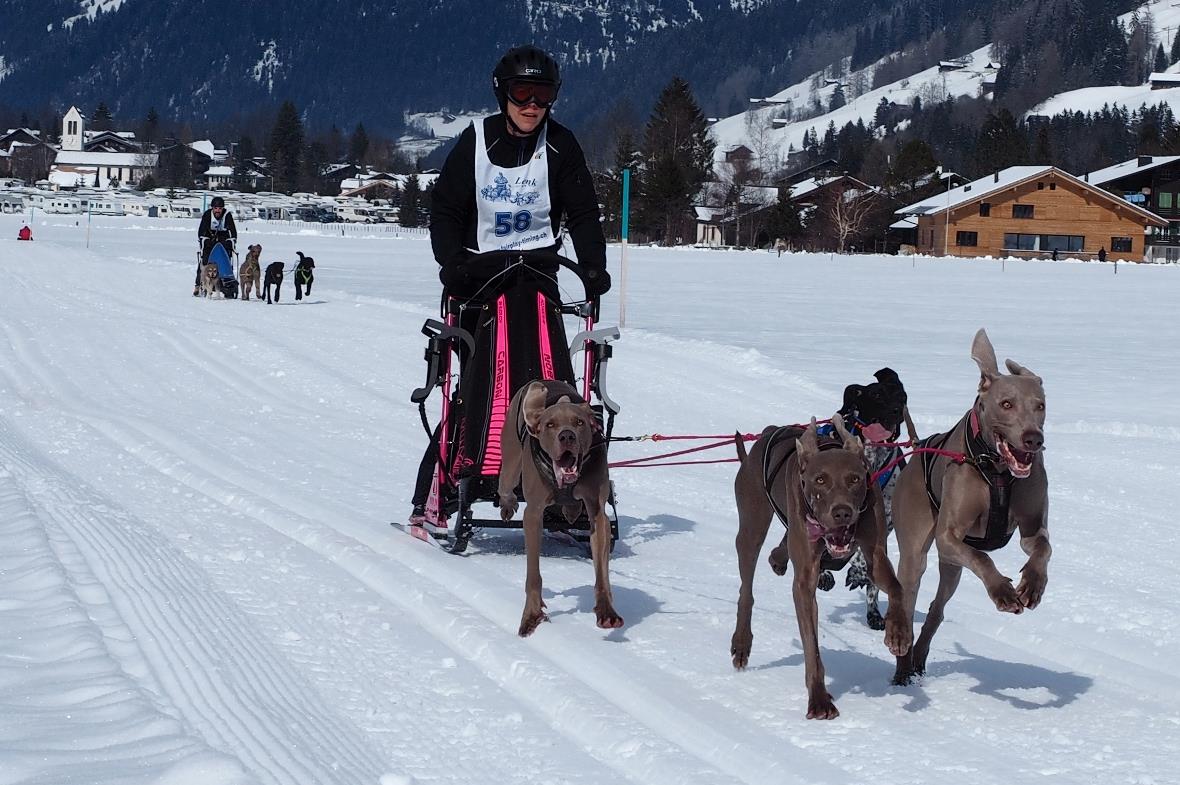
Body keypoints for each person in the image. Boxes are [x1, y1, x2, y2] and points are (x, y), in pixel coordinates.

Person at [410, 43, 610, 524]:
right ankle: (470, 468)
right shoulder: (475, 142)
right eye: (523, 92)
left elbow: (583, 214)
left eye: (543, 94)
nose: (532, 104)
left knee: (550, 373)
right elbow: (447, 212)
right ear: (504, 94)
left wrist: (593, 266)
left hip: (540, 275)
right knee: (481, 376)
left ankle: (567, 478)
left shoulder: (561, 145)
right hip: (481, 280)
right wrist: (452, 262)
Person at [195, 196, 237, 296]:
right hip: (209, 239)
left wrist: (231, 242)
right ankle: (198, 284)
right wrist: (204, 240)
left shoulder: (227, 215)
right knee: (204, 260)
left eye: (220, 208)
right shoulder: (207, 215)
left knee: (226, 258)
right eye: (216, 208)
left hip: (223, 239)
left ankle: (227, 281)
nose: (218, 210)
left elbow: (233, 232)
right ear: (212, 208)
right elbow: (201, 231)